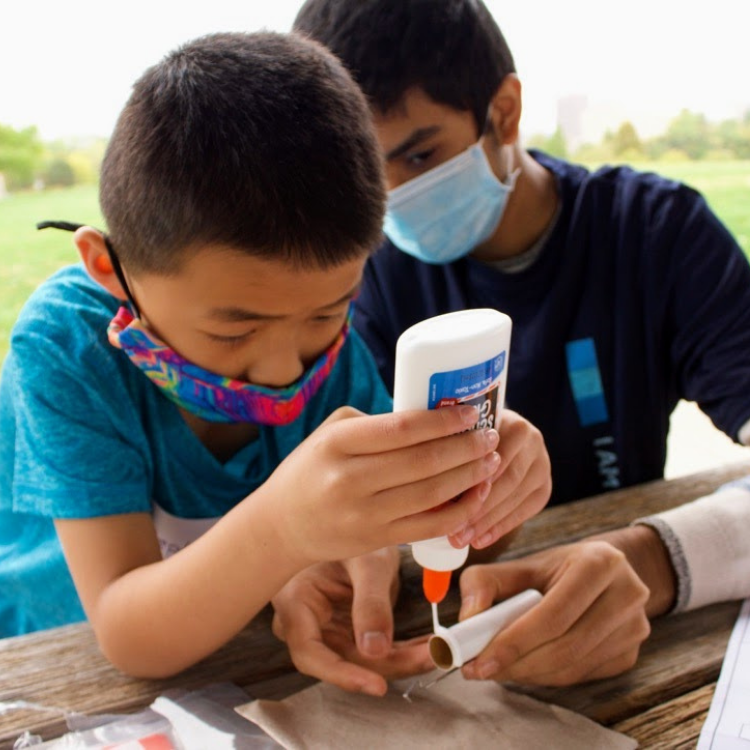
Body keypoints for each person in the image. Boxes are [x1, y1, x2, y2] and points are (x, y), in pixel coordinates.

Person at [0, 31, 551, 687]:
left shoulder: (333, 357)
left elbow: (407, 530)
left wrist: (483, 490)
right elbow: (127, 634)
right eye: (235, 331)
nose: (285, 370)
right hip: (55, 675)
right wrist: (284, 535)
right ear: (109, 269)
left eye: (327, 312)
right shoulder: (68, 347)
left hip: (245, 667)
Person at [292, 0, 750, 686]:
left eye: (419, 154)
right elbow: (364, 511)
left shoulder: (656, 234)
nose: (394, 197)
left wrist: (654, 561)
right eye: (362, 170)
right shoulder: (365, 279)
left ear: (503, 111)